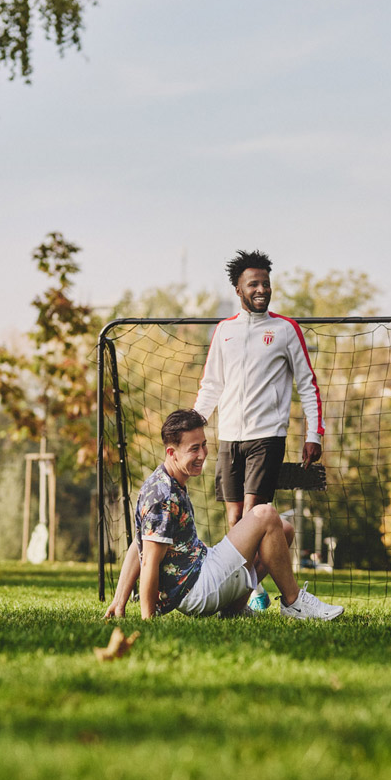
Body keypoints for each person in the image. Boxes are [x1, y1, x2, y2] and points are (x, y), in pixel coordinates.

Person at [104, 409, 343, 622]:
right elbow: (149, 560)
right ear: (171, 452)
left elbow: (140, 544)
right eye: (193, 449)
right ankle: (294, 603)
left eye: (204, 444)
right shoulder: (163, 494)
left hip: (201, 570)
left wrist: (119, 600)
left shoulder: (167, 480)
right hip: (196, 589)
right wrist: (148, 620)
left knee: (284, 529)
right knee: (264, 514)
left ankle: (233, 610)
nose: (202, 454)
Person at [194, 248, 324, 607]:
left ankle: (243, 594)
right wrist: (192, 426)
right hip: (229, 438)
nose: (261, 289)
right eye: (253, 284)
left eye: (266, 283)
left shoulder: (285, 329)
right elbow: (211, 386)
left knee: (254, 515)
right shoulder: (224, 331)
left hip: (267, 437)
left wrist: (314, 434)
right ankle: (247, 589)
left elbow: (307, 384)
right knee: (234, 518)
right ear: (239, 289)